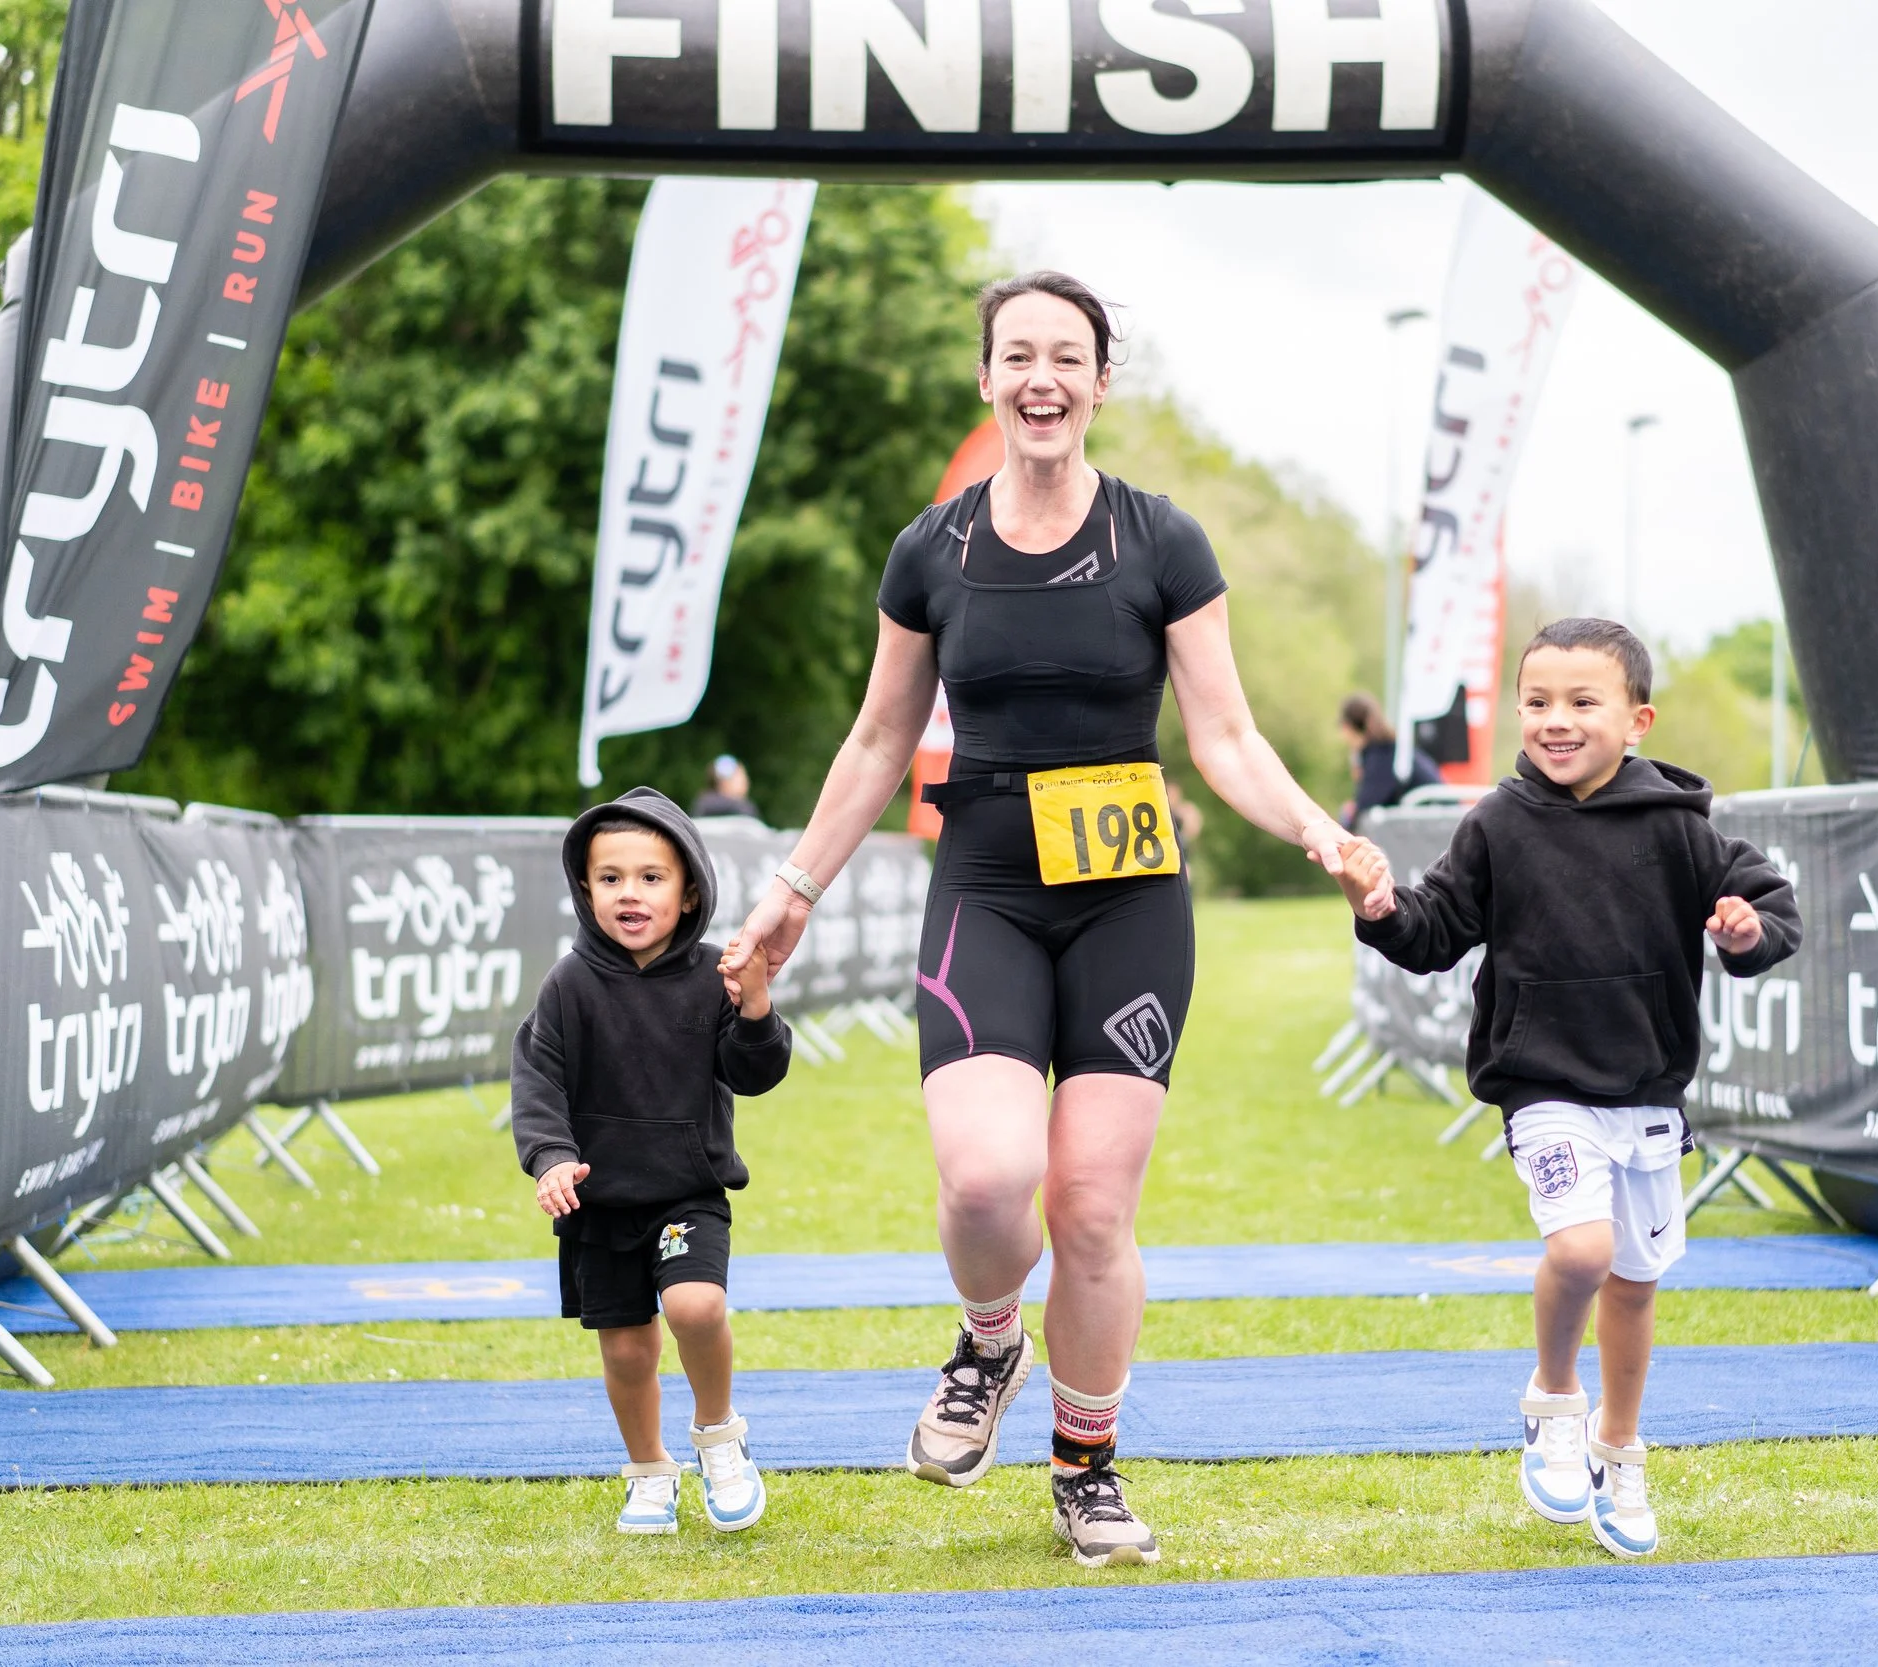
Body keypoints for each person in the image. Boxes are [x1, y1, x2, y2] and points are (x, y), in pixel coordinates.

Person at [725, 271, 1380, 1568]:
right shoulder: (933, 550)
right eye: (1017, 354)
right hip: (987, 883)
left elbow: (1227, 733)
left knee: (1088, 1208)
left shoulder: (1161, 541)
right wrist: (790, 889)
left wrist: (1319, 828)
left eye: (1066, 356)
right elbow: (876, 738)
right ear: (986, 378)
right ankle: (987, 1337)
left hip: (1130, 895)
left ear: (1098, 381)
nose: (1041, 377)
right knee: (984, 1177)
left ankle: (1087, 1464)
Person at [1334, 617, 1798, 1559]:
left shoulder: (1679, 826)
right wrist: (1377, 906)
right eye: (1537, 702)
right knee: (1582, 1251)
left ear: (1637, 719)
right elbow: (1434, 929)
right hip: (1543, 1085)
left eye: (1582, 702)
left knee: (1634, 1281)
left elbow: (1772, 904)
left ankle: (1619, 1451)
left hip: (1648, 1093)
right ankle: (1553, 1397)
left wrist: (1747, 932)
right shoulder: (1497, 824)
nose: (1556, 720)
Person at [511, 786, 793, 1537]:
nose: (628, 893)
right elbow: (537, 1078)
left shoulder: (715, 974)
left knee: (695, 1306)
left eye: (650, 876)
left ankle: (719, 1437)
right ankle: (648, 1470)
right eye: (610, 878)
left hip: (687, 1193)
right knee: (629, 1350)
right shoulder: (568, 983)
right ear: (585, 888)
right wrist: (551, 1158)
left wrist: (757, 1005)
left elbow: (756, 1071)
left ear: (689, 888)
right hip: (600, 1205)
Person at [1336, 692, 1440, 830]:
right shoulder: (1393, 750)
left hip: (1431, 830)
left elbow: (1364, 808)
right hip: (1435, 825)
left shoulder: (1381, 756)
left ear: (1347, 727)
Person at [691, 755, 761, 821]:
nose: (747, 783)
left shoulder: (701, 804)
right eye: (742, 777)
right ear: (724, 781)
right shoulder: (743, 808)